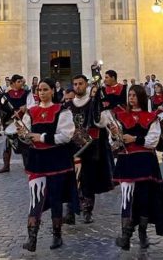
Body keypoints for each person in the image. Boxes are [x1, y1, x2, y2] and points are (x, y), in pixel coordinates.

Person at [107, 84, 163, 250]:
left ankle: (142, 234)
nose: (131, 98)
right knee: (126, 198)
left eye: (135, 95)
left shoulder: (151, 117)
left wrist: (134, 138)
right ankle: (125, 236)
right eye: (130, 95)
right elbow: (113, 142)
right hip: (126, 161)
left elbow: (153, 141)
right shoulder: (120, 116)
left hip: (145, 162)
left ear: (141, 97)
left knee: (143, 199)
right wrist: (116, 136)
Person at [20, 78, 76, 252]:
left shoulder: (62, 111)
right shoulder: (31, 111)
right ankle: (32, 238)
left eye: (45, 89)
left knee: (55, 199)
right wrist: (22, 135)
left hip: (56, 161)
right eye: (39, 90)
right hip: (37, 161)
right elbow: (26, 133)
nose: (42, 93)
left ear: (53, 90)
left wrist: (41, 137)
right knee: (35, 199)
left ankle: (57, 235)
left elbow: (66, 136)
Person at [63, 74, 114, 224]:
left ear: (86, 85)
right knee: (71, 178)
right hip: (73, 148)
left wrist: (97, 104)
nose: (78, 86)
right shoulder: (68, 106)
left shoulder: (94, 103)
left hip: (92, 148)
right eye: (75, 84)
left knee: (88, 179)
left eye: (81, 83)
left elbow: (102, 122)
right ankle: (70, 210)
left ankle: (87, 210)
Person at [0, 74, 30, 173]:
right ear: (13, 83)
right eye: (19, 81)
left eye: (21, 81)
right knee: (7, 144)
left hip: (23, 120)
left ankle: (27, 165)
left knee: (25, 143)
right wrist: (10, 114)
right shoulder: (6, 95)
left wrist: (24, 108)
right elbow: (2, 107)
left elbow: (30, 104)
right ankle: (6, 166)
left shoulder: (26, 93)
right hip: (10, 121)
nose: (21, 83)